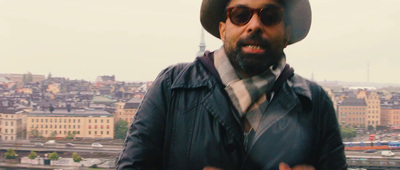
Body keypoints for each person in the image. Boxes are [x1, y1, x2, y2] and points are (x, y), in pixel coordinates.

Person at [116, 0, 347, 169]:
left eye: (270, 15)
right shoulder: (171, 87)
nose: (254, 25)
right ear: (223, 29)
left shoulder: (316, 103)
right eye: (239, 14)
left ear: (286, 33)